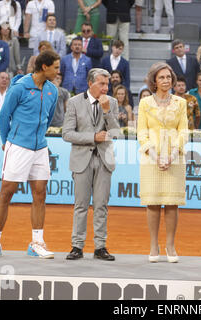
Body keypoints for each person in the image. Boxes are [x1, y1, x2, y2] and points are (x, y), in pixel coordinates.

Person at [0, 50, 60, 259]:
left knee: (40, 193)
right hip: (17, 147)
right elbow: (3, 116)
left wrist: (38, 141)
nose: (58, 71)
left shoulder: (53, 91)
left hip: (40, 148)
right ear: (44, 67)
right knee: (6, 192)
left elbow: (48, 118)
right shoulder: (19, 88)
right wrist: (6, 142)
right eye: (56, 67)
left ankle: (37, 242)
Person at [62, 68, 120, 261]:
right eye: (101, 84)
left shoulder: (112, 102)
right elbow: (67, 133)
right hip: (81, 160)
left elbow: (116, 133)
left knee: (101, 205)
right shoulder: (74, 102)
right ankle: (77, 246)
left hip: (104, 160)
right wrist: (93, 137)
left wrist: (106, 112)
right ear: (90, 83)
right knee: (81, 205)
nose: (105, 88)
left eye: (107, 84)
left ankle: (100, 246)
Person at [137, 62, 188, 263]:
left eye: (168, 77)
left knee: (172, 203)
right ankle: (153, 244)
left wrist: (173, 154)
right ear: (154, 81)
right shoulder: (145, 103)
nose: (166, 80)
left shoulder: (180, 103)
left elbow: (183, 131)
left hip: (175, 157)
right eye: (161, 78)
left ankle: (170, 245)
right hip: (151, 158)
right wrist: (155, 155)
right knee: (153, 202)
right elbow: (141, 132)